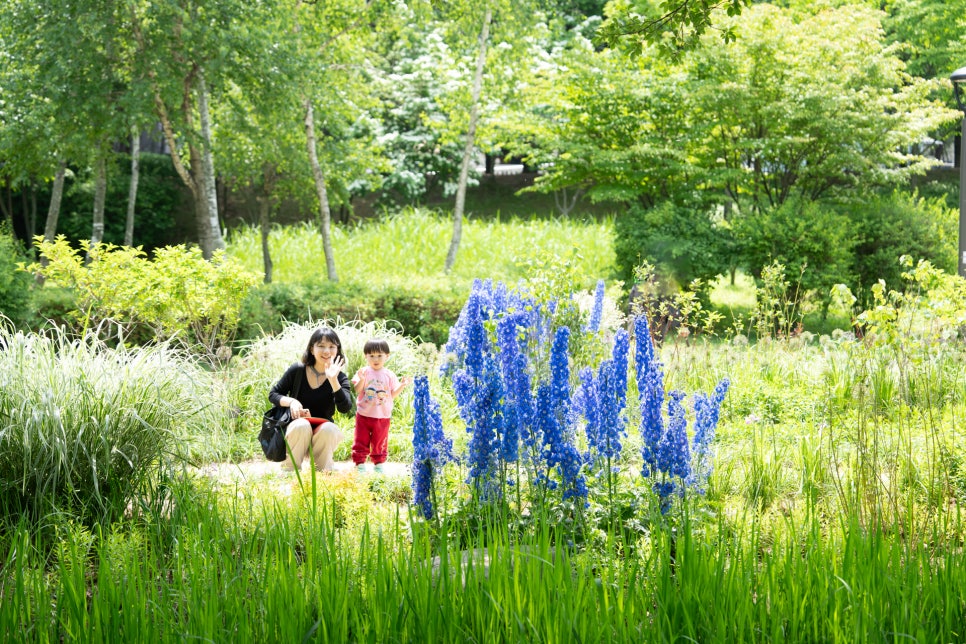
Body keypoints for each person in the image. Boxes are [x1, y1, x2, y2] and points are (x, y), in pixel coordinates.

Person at [268, 327, 352, 472]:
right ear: (312, 349)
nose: (327, 351)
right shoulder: (298, 370)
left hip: (322, 432)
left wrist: (333, 380)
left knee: (329, 429)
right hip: (296, 430)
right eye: (321, 346)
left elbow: (345, 408)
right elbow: (274, 394)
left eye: (332, 347)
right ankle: (290, 472)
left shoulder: (340, 377)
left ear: (337, 350)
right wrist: (292, 402)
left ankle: (324, 473)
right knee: (302, 425)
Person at [351, 338, 411, 473]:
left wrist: (402, 385)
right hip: (364, 414)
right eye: (371, 356)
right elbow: (357, 389)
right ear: (366, 356)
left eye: (379, 355)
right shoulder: (364, 372)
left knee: (380, 440)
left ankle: (378, 464)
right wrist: (361, 380)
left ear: (387, 356)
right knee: (361, 439)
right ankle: (359, 463)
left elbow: (392, 394)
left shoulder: (389, 375)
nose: (375, 359)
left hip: (382, 416)